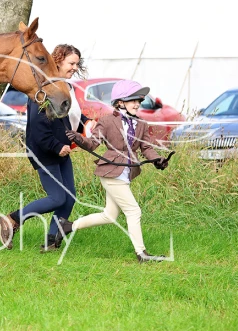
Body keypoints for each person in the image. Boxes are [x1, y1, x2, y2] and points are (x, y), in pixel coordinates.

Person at [61, 79, 170, 263]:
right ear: (120, 102)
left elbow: (146, 148)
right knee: (133, 211)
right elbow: (92, 144)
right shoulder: (107, 121)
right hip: (111, 172)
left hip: (127, 173)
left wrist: (157, 160)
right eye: (133, 100)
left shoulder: (141, 124)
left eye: (139, 100)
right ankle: (142, 254)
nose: (137, 104)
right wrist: (79, 139)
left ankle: (68, 227)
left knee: (109, 215)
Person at [0, 44, 88, 252]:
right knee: (57, 197)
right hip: (44, 152)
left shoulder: (65, 88)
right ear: (58, 61)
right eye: (71, 63)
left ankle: (52, 240)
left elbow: (72, 117)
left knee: (69, 197)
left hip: (61, 151)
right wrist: (57, 146)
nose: (75, 68)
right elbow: (38, 128)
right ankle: (12, 219)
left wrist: (90, 125)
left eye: (77, 64)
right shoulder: (43, 89)